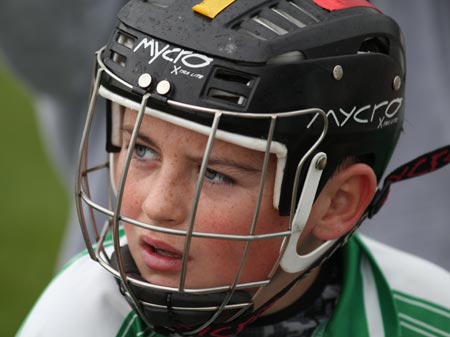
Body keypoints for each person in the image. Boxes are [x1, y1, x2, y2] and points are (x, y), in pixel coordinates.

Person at [15, 1, 450, 336]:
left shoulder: (428, 315)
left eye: (214, 173)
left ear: (337, 201)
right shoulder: (80, 317)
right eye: (142, 150)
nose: (157, 205)